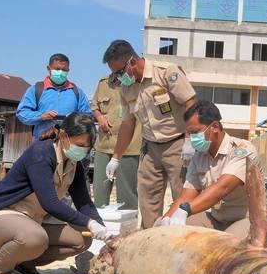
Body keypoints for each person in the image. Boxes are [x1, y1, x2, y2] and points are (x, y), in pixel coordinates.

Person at [0, 113, 113, 274]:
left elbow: (84, 203)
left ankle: (24, 263)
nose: (82, 150)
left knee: (81, 240)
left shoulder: (74, 164)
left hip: (33, 219)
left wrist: (102, 229)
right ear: (63, 136)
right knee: (35, 238)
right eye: (80, 145)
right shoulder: (41, 153)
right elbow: (50, 203)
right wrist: (90, 223)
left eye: (86, 147)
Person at [103, 40, 197, 228]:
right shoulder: (126, 88)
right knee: (147, 198)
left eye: (119, 72)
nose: (118, 77)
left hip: (177, 143)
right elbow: (128, 124)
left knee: (183, 195)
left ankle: (185, 240)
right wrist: (115, 158)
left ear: (132, 62)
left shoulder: (165, 73)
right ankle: (150, 238)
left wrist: (190, 139)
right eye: (114, 74)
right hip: (150, 147)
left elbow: (191, 103)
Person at [157, 101, 259, 239]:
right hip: (216, 219)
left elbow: (222, 188)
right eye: (189, 134)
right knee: (164, 230)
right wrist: (167, 217)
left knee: (226, 248)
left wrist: (185, 209)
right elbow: (187, 196)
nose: (192, 138)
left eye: (195, 132)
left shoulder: (242, 150)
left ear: (215, 127)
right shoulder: (199, 157)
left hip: (247, 219)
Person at [91, 73, 142, 209]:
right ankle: (99, 223)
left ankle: (127, 227)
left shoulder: (138, 83)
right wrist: (100, 118)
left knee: (127, 195)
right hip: (104, 145)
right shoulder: (104, 83)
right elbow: (94, 106)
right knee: (100, 193)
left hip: (129, 148)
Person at [16, 53, 92, 139]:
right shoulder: (36, 89)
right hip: (43, 142)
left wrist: (75, 118)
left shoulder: (77, 92)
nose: (60, 72)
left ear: (68, 71)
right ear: (49, 69)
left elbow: (88, 116)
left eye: (64, 70)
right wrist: (41, 116)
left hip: (69, 144)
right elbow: (22, 113)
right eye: (57, 69)